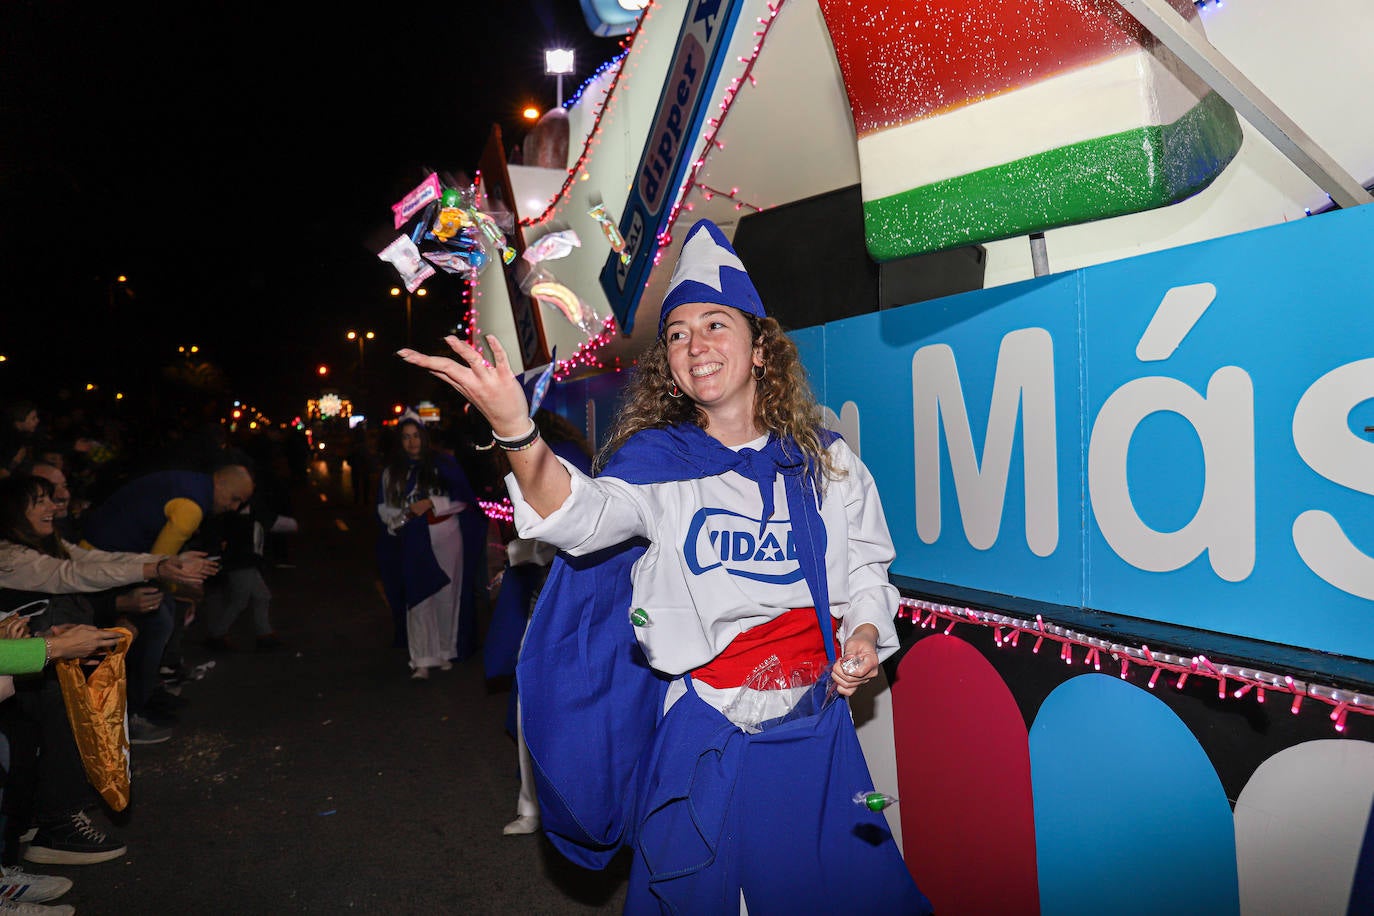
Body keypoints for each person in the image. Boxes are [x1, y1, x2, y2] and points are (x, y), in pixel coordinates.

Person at [399, 218, 931, 914]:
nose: (694, 344)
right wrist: (516, 431)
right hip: (709, 724)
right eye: (678, 333)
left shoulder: (827, 461)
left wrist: (864, 635)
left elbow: (867, 568)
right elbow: (579, 515)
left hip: (814, 727)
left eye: (715, 325)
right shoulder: (659, 468)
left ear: (760, 348)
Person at [78, 461, 245, 731]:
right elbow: (161, 566)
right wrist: (186, 590)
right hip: (101, 561)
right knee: (157, 622)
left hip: (108, 553)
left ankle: (146, 694)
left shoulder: (191, 482)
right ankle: (132, 711)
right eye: (234, 498)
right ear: (221, 483)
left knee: (163, 611)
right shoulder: (192, 506)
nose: (234, 506)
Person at [376, 416, 474, 680]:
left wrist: (432, 502)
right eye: (406, 437)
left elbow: (463, 499)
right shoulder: (392, 471)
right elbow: (385, 508)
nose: (412, 442)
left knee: (447, 593)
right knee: (418, 596)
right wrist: (402, 518)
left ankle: (444, 650)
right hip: (412, 538)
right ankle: (421, 657)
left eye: (416, 435)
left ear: (424, 437)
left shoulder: (444, 465)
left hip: (446, 534)